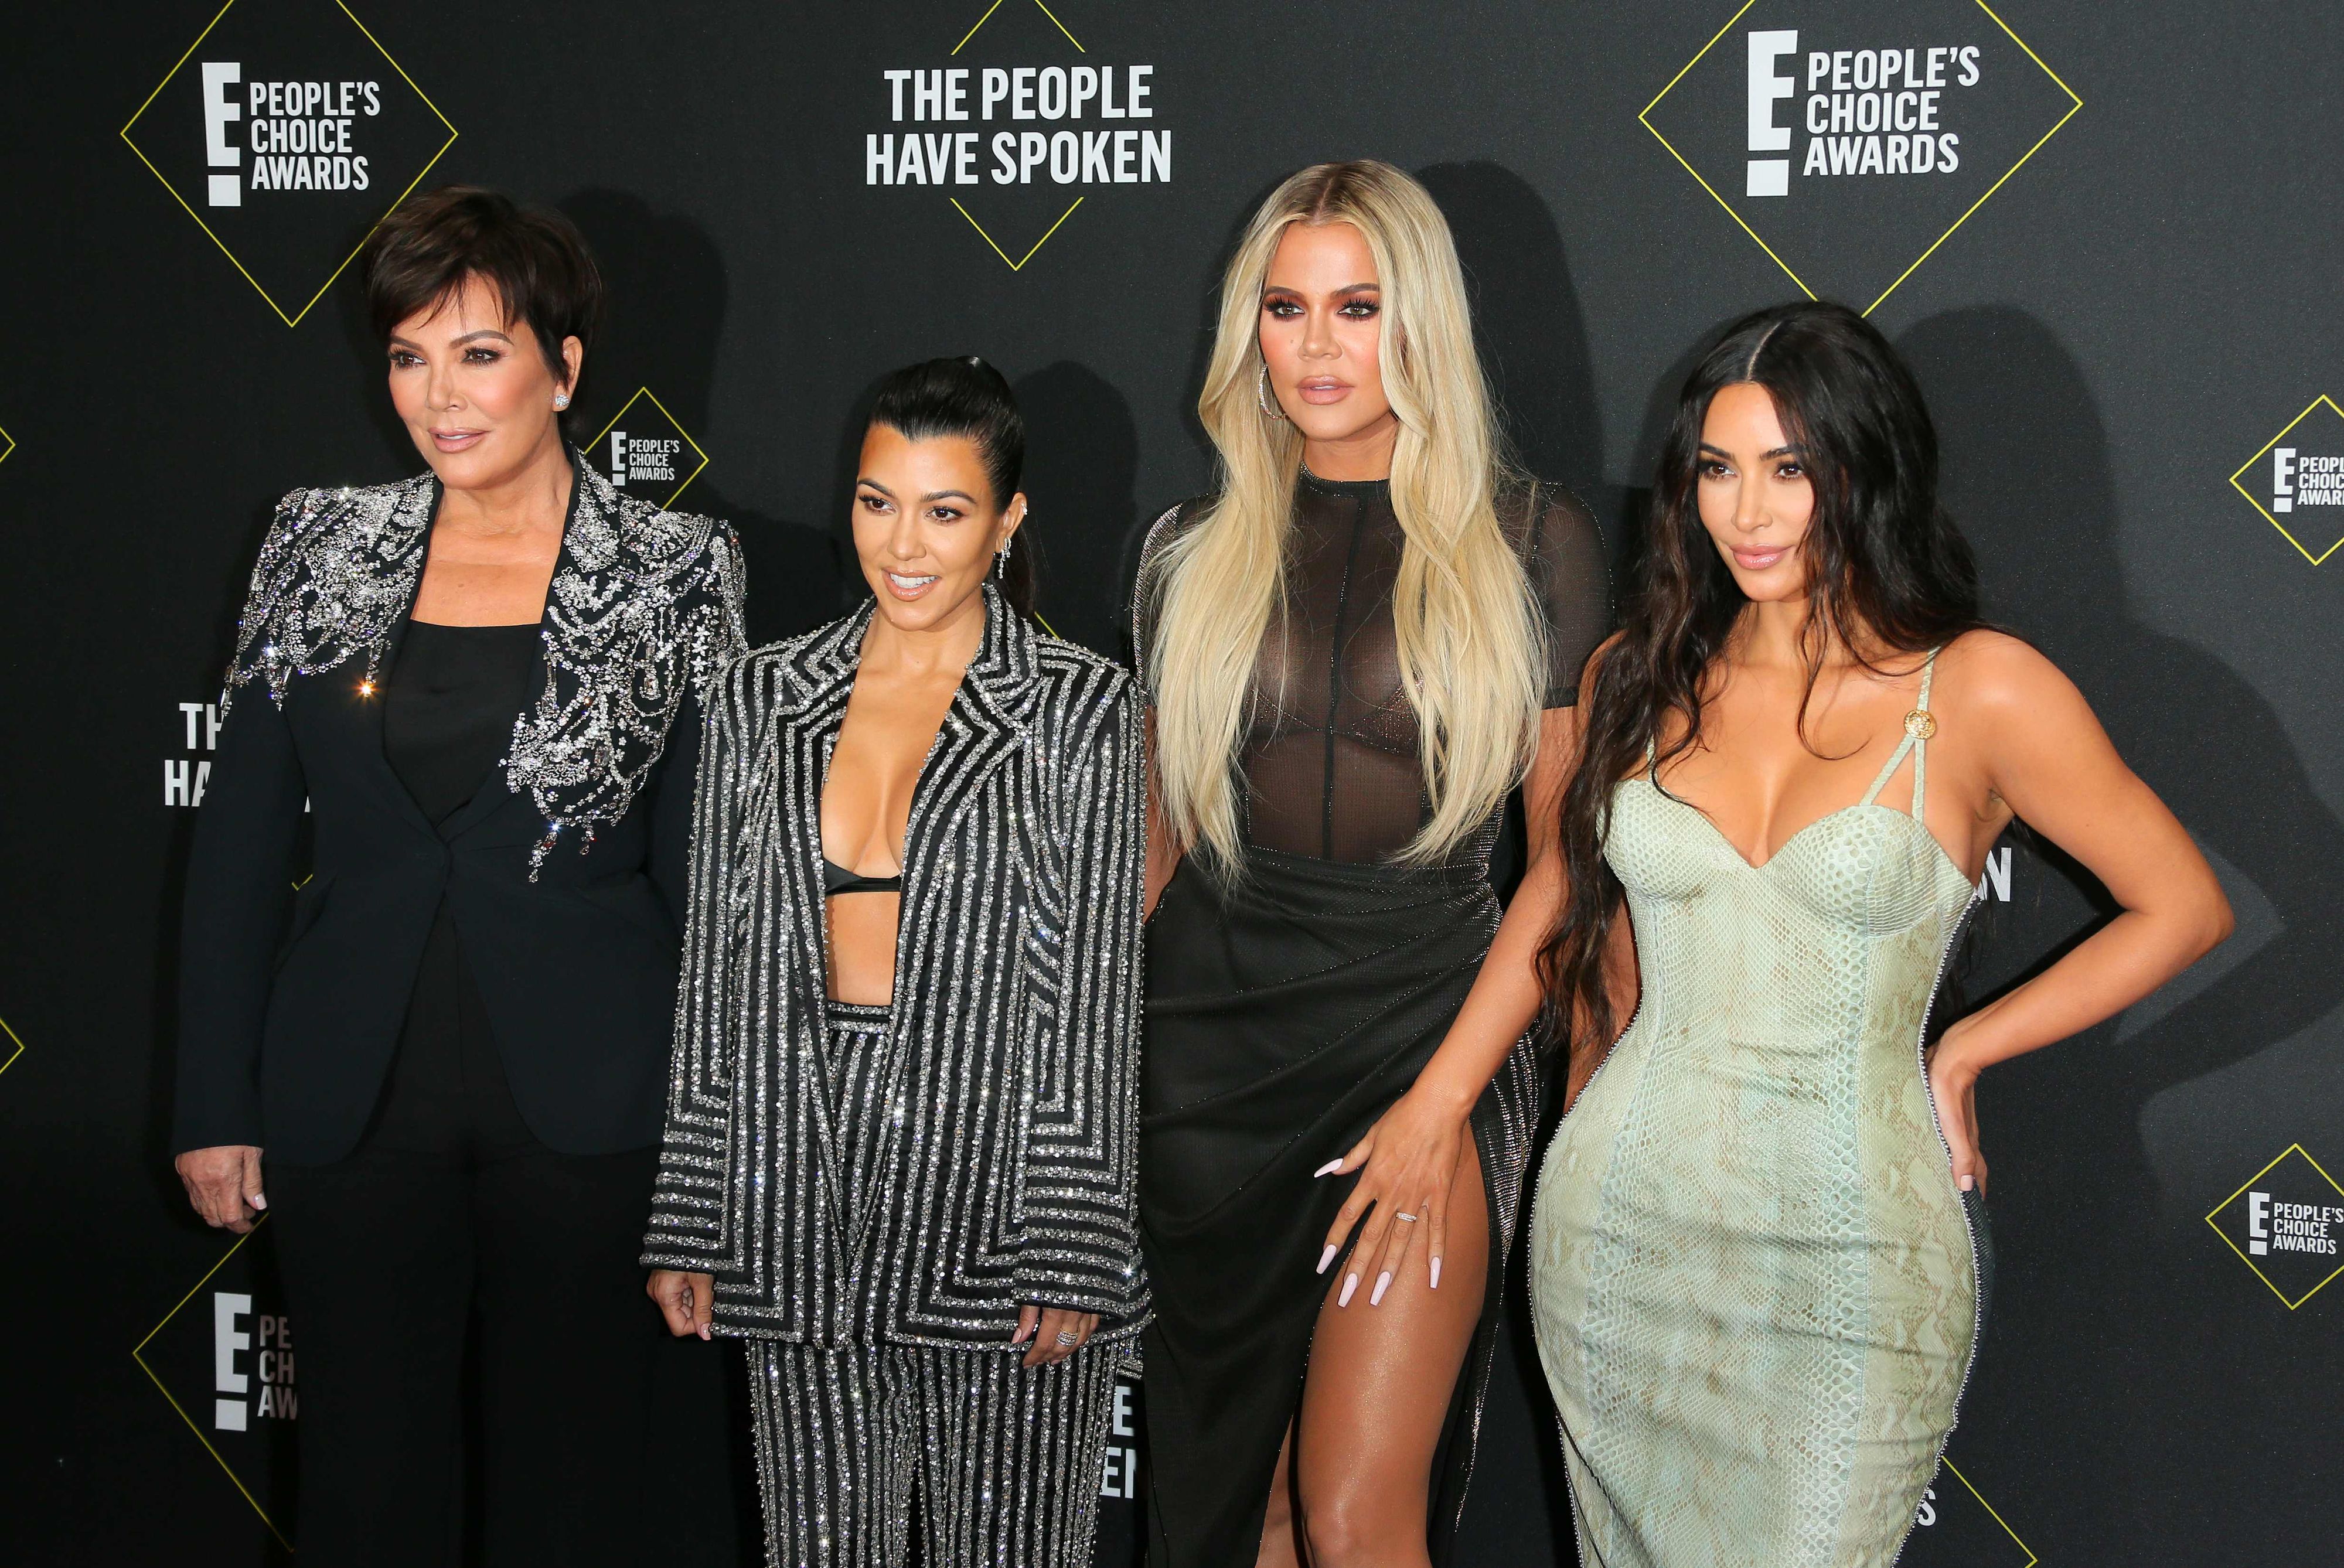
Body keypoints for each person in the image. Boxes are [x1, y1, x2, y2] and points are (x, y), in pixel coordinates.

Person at [1528, 301, 2234, 1567]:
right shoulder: (1635, 678)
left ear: (1863, 473)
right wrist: (1572, 1109)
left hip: (1855, 1247)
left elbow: (2182, 905)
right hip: (1621, 1234)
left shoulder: (1976, 689)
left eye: (1789, 471)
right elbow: (1599, 960)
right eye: (1717, 470)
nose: (1746, 514)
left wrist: (1960, 1052)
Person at [169, 185, 747, 1566]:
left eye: (478, 353)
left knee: (575, 1500)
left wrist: (713, 1162)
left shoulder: (675, 569)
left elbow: (713, 892)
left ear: (564, 364)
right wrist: (213, 1100)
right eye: (409, 356)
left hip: (594, 1120)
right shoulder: (316, 543)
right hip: (349, 1106)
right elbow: (239, 848)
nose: (440, 395)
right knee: (363, 1497)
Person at [1131, 161, 1609, 1568]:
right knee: (1249, 1509)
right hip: (1204, 1073)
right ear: (1249, 331)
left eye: (1359, 305)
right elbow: (1155, 855)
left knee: (1354, 1512)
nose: (1319, 346)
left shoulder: (1531, 543)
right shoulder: (1185, 554)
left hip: (1422, 1045)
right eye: (1286, 308)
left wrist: (1441, 1102)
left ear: (1423, 324)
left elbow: (1563, 860)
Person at [642, 357, 1147, 1568]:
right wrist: (695, 1206)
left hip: (1002, 1175)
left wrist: (1072, 1232)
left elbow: (1090, 993)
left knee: (1012, 1554)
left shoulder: (1079, 708)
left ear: (1007, 519)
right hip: (796, 1175)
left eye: (944, 509)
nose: (902, 544)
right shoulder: (760, 697)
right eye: (877, 502)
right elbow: (719, 962)